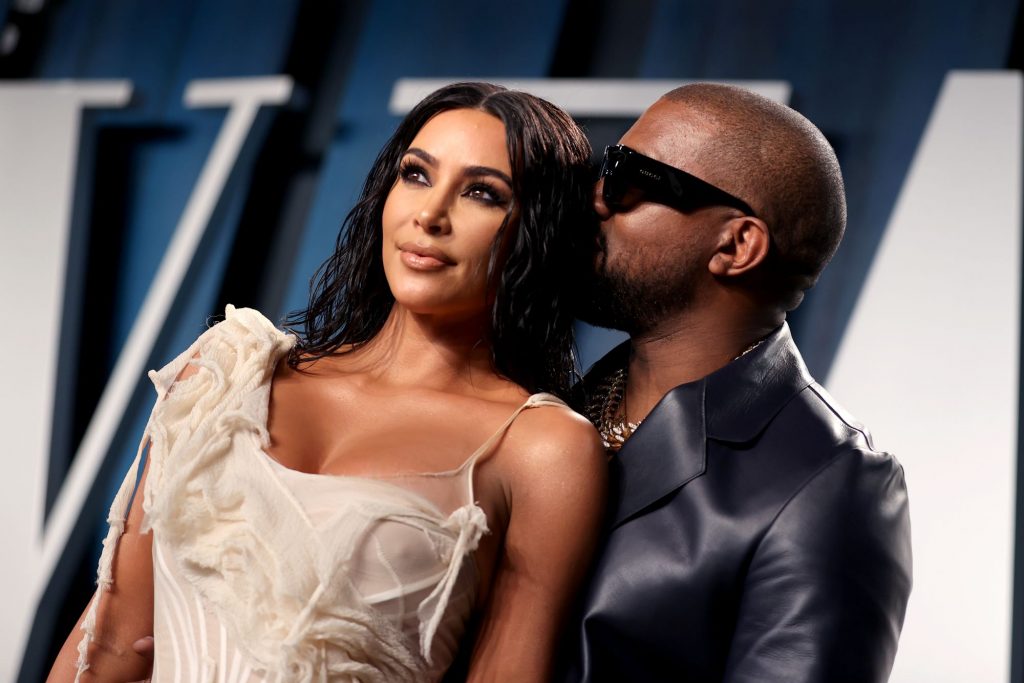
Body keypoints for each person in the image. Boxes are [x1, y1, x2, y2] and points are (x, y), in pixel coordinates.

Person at [47, 82, 606, 683]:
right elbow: (108, 648)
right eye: (415, 175)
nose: (430, 215)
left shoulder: (542, 448)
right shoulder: (225, 375)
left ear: (537, 230)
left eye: (481, 193)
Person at [560, 83, 913, 682]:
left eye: (628, 177)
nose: (595, 197)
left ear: (737, 244)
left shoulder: (832, 484)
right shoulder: (539, 402)